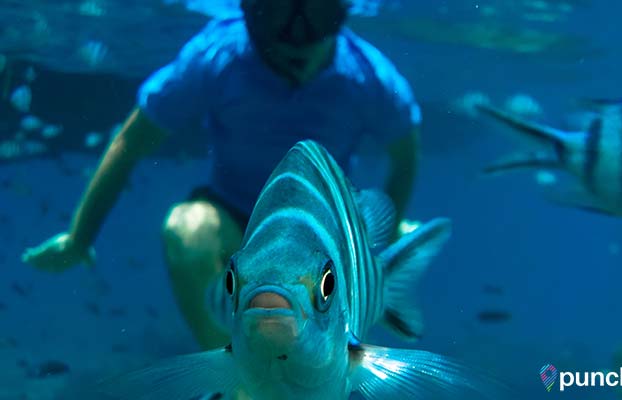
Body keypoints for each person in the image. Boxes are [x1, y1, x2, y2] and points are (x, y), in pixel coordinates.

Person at [22, 0, 421, 350]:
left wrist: (385, 230)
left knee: (337, 300)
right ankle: (238, 378)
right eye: (275, 11)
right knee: (187, 229)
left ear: (340, 11)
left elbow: (405, 156)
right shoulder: (216, 56)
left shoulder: (368, 77)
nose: (296, 36)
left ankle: (332, 362)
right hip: (234, 223)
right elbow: (132, 141)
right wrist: (79, 238)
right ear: (249, 10)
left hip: (325, 234)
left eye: (316, 12)